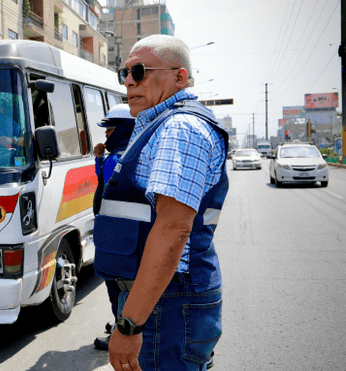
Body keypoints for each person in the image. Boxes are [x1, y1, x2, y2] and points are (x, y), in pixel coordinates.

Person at [93, 35, 228, 371]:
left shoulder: (179, 128)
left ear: (179, 77)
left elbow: (172, 230)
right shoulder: (161, 125)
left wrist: (130, 325)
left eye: (139, 71)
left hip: (166, 305)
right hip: (163, 299)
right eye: (123, 72)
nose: (128, 81)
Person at [92, 104, 136, 351]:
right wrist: (100, 159)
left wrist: (104, 161)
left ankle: (120, 335)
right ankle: (122, 325)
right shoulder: (130, 152)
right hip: (127, 234)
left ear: (122, 130)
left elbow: (107, 190)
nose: (106, 135)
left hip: (115, 235)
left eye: (110, 131)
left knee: (116, 286)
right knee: (124, 286)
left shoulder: (117, 158)